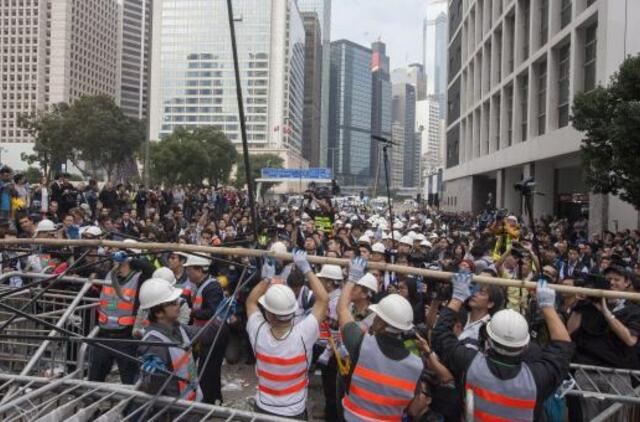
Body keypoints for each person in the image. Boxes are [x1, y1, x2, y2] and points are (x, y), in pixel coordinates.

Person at [432, 272, 573, 421]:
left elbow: (440, 335)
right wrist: (548, 307)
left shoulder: (470, 364)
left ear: (487, 340)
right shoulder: (536, 379)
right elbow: (563, 348)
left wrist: (458, 297)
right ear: (525, 345)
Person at [337, 257, 428, 421]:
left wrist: (353, 277)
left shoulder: (362, 343)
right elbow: (414, 409)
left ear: (380, 321)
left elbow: (342, 308)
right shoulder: (417, 364)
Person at [245, 250, 328, 419]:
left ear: (269, 314)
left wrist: (267, 279)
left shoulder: (258, 332)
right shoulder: (303, 336)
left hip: (263, 408)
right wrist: (306, 268)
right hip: (293, 412)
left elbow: (251, 301)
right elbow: (324, 300)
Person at [567, 263, 640, 419]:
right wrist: (579, 305)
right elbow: (570, 331)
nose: (612, 283)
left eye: (616, 279)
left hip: (618, 375)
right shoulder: (588, 304)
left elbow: (630, 339)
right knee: (590, 418)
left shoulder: (634, 310)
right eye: (608, 280)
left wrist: (606, 312)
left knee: (618, 417)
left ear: (627, 283)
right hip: (587, 372)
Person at [89, 245, 155, 384]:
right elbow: (89, 266)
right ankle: (94, 404)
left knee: (129, 379)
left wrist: (129, 259)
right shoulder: (109, 274)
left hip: (126, 338)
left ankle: (129, 406)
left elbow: (151, 269)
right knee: (94, 377)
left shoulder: (139, 279)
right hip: (104, 335)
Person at [184, 253, 228, 404]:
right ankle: (214, 399)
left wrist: (192, 312)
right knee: (207, 369)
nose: (187, 273)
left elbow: (212, 311)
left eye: (189, 269)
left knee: (209, 370)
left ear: (199, 270)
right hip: (204, 333)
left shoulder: (212, 287)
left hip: (215, 334)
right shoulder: (200, 285)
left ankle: (209, 401)